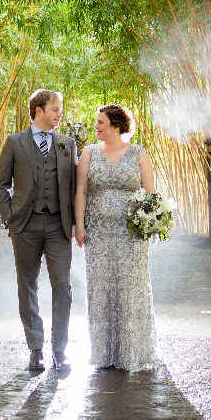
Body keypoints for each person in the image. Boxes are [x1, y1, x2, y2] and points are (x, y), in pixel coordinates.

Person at [0, 88, 78, 371]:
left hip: (59, 226)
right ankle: (35, 349)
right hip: (25, 226)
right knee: (27, 286)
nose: (60, 114)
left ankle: (59, 349)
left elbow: (74, 187)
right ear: (39, 111)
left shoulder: (68, 143)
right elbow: (1, 183)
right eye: (56, 109)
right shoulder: (14, 142)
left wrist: (77, 223)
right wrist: (9, 216)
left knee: (63, 287)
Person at [75, 103, 158, 372]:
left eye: (101, 123)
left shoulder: (139, 155)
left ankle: (131, 353)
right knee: (100, 289)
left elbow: (150, 194)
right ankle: (102, 353)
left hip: (130, 234)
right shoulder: (89, 153)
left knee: (129, 288)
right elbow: (82, 192)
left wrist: (150, 223)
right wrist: (79, 225)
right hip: (97, 232)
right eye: (96, 122)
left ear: (116, 126)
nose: (96, 127)